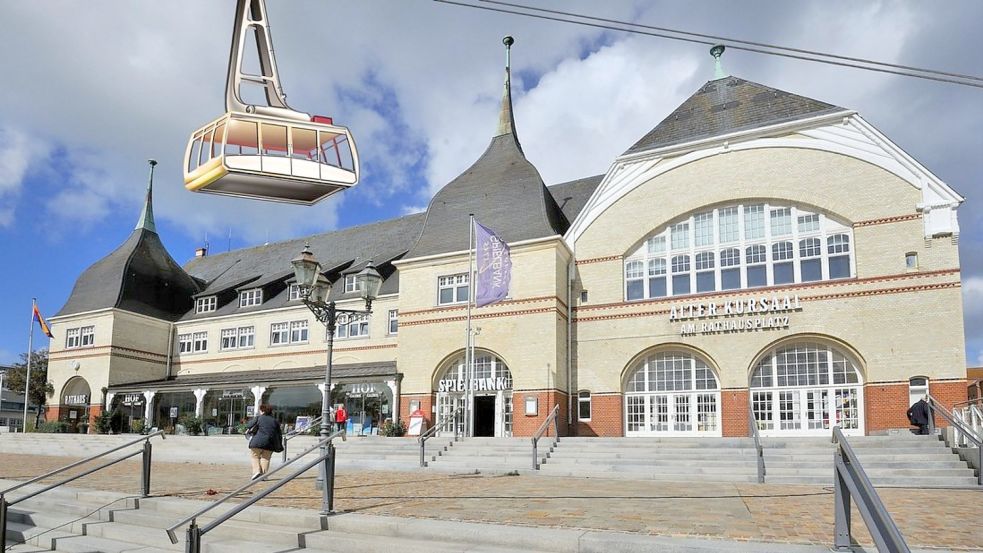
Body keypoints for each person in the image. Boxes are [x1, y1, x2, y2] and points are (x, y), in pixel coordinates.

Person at [245, 404, 284, 479]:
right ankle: (263, 475)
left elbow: (249, 425)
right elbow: (279, 434)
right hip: (270, 443)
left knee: (255, 456)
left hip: (257, 441)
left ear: (262, 410)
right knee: (266, 458)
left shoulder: (259, 418)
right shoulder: (275, 421)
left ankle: (257, 472)